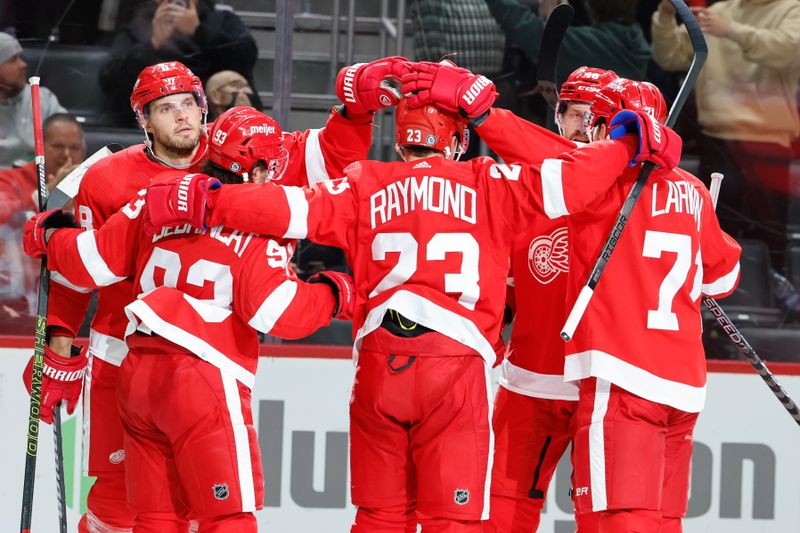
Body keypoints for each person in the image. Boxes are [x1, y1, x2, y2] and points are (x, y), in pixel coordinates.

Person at [140, 59, 681, 531]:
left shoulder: (363, 181)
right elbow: (574, 182)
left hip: (378, 366)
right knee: (453, 519)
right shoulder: (492, 182)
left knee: (378, 518)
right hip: (455, 367)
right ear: (458, 138)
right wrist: (627, 145)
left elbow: (291, 209)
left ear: (401, 138)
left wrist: (210, 202)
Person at [33, 55, 396, 531]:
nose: (182, 115)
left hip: (180, 364)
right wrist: (58, 345)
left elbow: (326, 154)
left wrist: (354, 114)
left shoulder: (236, 150)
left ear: (204, 107)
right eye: (166, 108)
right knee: (125, 505)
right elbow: (76, 279)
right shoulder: (107, 177)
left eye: (189, 103)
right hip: (125, 357)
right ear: (142, 118)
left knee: (163, 510)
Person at [565, 77, 741, 530]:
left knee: (614, 520)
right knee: (664, 521)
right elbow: (723, 278)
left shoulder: (596, 182)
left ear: (611, 126)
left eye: (593, 123)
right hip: (683, 387)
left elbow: (543, 167)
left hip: (624, 379)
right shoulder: (695, 191)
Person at [481, 66, 617, 533]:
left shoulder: (632, 191)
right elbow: (505, 294)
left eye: (592, 117)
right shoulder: (524, 189)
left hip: (601, 388)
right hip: (530, 381)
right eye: (572, 114)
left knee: (604, 514)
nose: (580, 127)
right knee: (502, 505)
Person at [650, 0, 800, 271]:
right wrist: (664, 15)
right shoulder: (718, 12)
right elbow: (670, 56)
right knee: (713, 232)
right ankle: (706, 302)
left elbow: (787, 51)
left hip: (768, 143)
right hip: (718, 140)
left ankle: (777, 293)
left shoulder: (792, 9)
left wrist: (731, 30)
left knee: (769, 234)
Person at [99, 0, 258, 127]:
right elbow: (108, 79)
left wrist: (198, 30)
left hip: (212, 119)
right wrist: (153, 44)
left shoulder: (221, 21)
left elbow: (245, 60)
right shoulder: (138, 27)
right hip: (155, 119)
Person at [0, 113, 85, 334]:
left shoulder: (94, 183)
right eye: (57, 146)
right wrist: (46, 195)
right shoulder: (12, 179)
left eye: (74, 147)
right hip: (19, 289)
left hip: (73, 286)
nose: (66, 155)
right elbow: (5, 216)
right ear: (40, 149)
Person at [485, 0, 651, 83]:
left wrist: (554, 22)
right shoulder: (634, 37)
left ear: (590, 6)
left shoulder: (589, 45)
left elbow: (522, 26)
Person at [0, 32, 66, 167]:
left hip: (38, 181)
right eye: (13, 60)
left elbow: (68, 142)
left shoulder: (43, 100)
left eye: (20, 58)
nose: (22, 64)